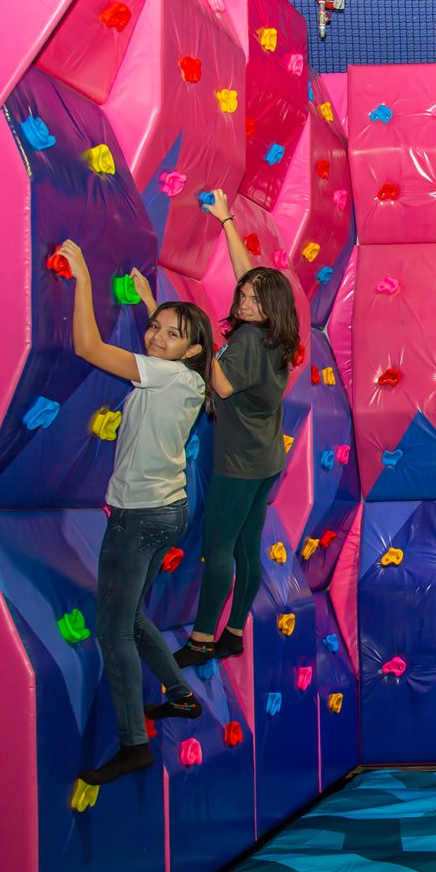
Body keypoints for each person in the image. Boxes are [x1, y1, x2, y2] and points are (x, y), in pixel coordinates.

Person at [60, 240, 215, 784]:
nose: (155, 337)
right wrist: (154, 305)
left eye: (172, 334)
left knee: (112, 630)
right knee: (132, 616)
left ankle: (134, 744)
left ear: (192, 349)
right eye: (155, 329)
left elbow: (87, 346)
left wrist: (84, 276)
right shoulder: (186, 376)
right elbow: (164, 343)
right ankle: (180, 694)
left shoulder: (166, 374)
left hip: (139, 515)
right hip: (167, 509)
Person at [174, 189, 300, 667]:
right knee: (247, 549)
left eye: (252, 299)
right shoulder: (277, 333)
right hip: (265, 459)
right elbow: (252, 277)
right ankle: (233, 632)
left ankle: (202, 639)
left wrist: (198, 340)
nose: (243, 301)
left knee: (219, 548)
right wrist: (226, 220)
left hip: (241, 464)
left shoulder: (248, 341)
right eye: (242, 295)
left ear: (270, 306)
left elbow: (222, 387)